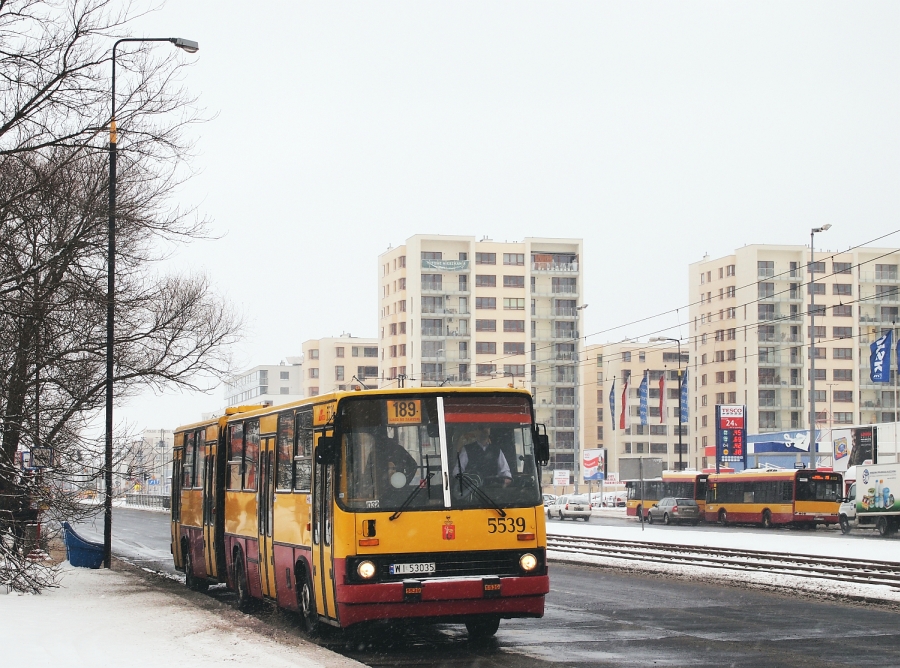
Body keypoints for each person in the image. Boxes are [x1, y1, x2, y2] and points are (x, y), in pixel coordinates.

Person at [358, 430, 418, 496]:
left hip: (382, 490)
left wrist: (404, 480)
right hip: (391, 490)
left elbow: (368, 474)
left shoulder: (375, 453)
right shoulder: (398, 450)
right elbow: (413, 465)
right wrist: (405, 480)